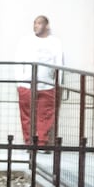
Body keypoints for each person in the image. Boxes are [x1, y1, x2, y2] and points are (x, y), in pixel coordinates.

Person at [20, 14, 64, 144]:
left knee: (45, 116)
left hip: (48, 85)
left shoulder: (55, 42)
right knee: (26, 116)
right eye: (34, 23)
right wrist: (19, 82)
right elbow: (19, 60)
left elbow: (59, 63)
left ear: (47, 25)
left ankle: (42, 143)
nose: (35, 26)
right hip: (27, 85)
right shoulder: (26, 41)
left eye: (39, 23)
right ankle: (28, 143)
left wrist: (58, 83)